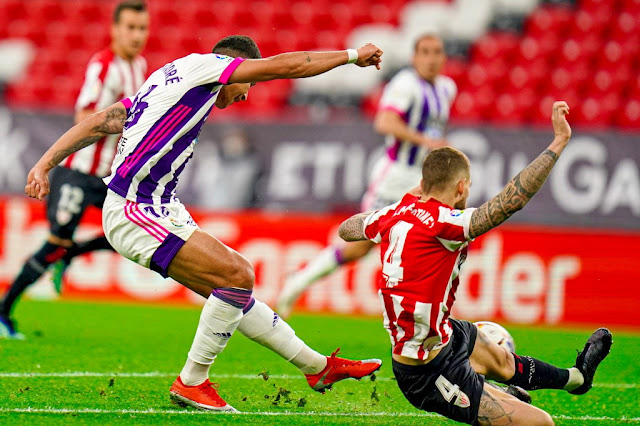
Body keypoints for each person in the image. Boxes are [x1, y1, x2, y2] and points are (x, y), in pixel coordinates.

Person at [24, 36, 385, 411]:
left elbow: (106, 120)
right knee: (238, 275)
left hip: (161, 206)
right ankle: (192, 381)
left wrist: (45, 162)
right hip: (135, 207)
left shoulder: (168, 74)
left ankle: (317, 367)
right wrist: (351, 57)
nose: (247, 94)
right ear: (233, 68)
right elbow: (289, 66)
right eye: (249, 83)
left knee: (234, 291)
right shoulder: (208, 67)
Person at [336, 102, 612, 425]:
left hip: (443, 337)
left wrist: (399, 207)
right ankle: (491, 394)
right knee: (542, 424)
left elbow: (347, 229)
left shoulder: (393, 213)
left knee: (502, 360)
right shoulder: (445, 223)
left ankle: (578, 377)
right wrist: (558, 142)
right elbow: (513, 200)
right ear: (461, 187)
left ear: (423, 184)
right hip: (427, 373)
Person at [277, 33, 456, 318]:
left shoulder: (447, 88)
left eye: (437, 52)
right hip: (397, 176)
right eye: (425, 52)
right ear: (414, 57)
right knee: (360, 246)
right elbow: (385, 121)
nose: (432, 59)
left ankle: (427, 312)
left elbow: (436, 131)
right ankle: (297, 282)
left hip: (424, 182)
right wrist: (424, 141)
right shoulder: (405, 84)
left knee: (432, 239)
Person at [0, 0, 149, 339]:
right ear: (115, 29)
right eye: (130, 27)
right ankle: (3, 312)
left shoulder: (140, 66)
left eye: (142, 28)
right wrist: (126, 124)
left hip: (111, 177)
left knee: (132, 233)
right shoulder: (103, 66)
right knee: (55, 243)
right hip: (78, 173)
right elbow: (84, 117)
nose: (137, 35)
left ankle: (70, 255)